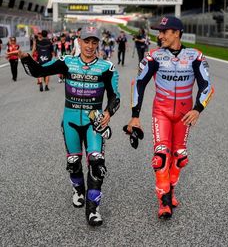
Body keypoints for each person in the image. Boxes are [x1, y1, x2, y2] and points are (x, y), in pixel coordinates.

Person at [18, 26, 120, 226]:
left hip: (94, 122)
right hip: (70, 120)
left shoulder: (107, 67)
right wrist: (25, 57)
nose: (90, 46)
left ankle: (93, 210)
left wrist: (108, 112)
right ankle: (78, 189)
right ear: (79, 42)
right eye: (86, 41)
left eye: (94, 42)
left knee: (97, 164)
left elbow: (115, 96)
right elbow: (39, 70)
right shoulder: (67, 62)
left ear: (98, 43)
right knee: (74, 162)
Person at [126, 16, 214, 219]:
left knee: (180, 157)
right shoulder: (154, 56)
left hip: (183, 116)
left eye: (165, 31)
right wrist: (135, 116)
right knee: (161, 157)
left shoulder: (195, 56)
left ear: (177, 33)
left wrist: (198, 109)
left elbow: (206, 86)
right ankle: (164, 200)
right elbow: (138, 84)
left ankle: (170, 190)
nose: (161, 35)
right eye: (160, 31)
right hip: (162, 113)